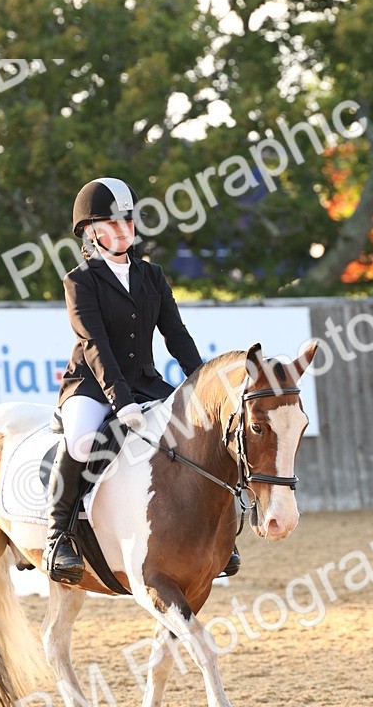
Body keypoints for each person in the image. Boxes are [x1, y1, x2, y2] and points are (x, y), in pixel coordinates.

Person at [43, 175, 240, 584]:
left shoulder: (152, 276)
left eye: (128, 221)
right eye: (112, 223)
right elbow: (94, 345)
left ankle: (217, 536)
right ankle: (58, 535)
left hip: (146, 383)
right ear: (90, 231)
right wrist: (120, 401)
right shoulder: (80, 281)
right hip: (92, 386)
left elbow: (176, 336)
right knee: (81, 440)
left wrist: (204, 385)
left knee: (198, 433)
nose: (123, 229)